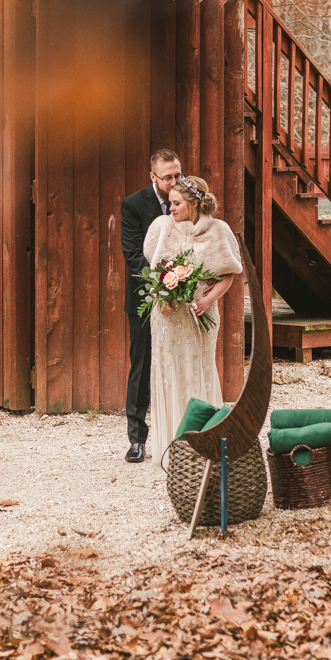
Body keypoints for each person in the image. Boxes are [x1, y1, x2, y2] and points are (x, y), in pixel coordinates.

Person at [142, 174, 242, 466]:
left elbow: (228, 275)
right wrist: (161, 296)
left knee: (198, 368)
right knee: (168, 371)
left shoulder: (219, 230)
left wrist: (207, 300)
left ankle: (204, 442)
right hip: (167, 317)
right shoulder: (161, 228)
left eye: (176, 203)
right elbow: (154, 273)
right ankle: (170, 447)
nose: (170, 208)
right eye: (170, 203)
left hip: (200, 314)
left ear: (194, 203)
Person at [120, 148, 182, 463]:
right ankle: (137, 440)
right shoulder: (132, 205)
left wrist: (184, 283)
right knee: (141, 367)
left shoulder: (188, 200)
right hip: (145, 300)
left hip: (183, 298)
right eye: (168, 177)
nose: (174, 182)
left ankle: (181, 436)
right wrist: (162, 285)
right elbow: (132, 254)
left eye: (178, 175)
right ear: (153, 177)